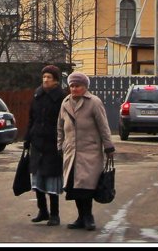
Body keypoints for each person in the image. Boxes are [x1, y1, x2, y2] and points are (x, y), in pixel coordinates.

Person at [57, 71, 115, 231]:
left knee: (86, 186)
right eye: (72, 86)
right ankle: (80, 217)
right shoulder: (65, 102)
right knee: (74, 187)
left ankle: (88, 217)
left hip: (89, 150)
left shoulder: (94, 102)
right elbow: (60, 126)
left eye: (78, 86)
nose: (74, 89)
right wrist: (59, 145)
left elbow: (103, 125)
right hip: (71, 151)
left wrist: (108, 145)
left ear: (85, 87)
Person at [23, 64, 66, 226]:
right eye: (44, 77)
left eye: (49, 77)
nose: (45, 80)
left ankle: (55, 215)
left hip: (53, 144)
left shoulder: (61, 97)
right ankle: (42, 211)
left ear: (55, 80)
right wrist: (28, 139)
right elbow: (31, 119)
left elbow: (64, 122)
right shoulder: (37, 95)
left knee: (52, 179)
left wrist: (62, 142)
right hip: (37, 142)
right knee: (38, 178)